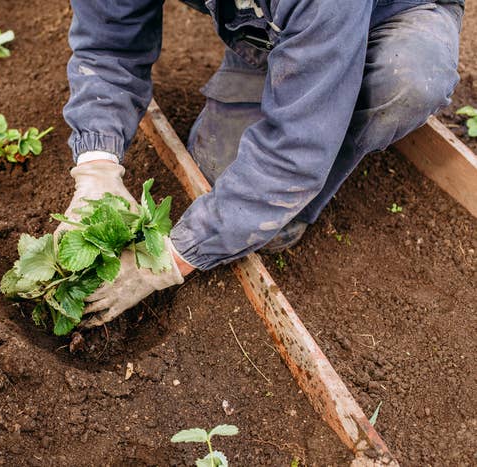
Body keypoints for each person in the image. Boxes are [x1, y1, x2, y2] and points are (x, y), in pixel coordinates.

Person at [59, 0, 464, 327]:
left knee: (406, 79)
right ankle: (280, 53)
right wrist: (97, 165)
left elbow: (293, 154)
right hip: (273, 20)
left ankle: (332, 95)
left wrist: (171, 258)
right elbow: (108, 46)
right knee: (220, 174)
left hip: (390, 14)